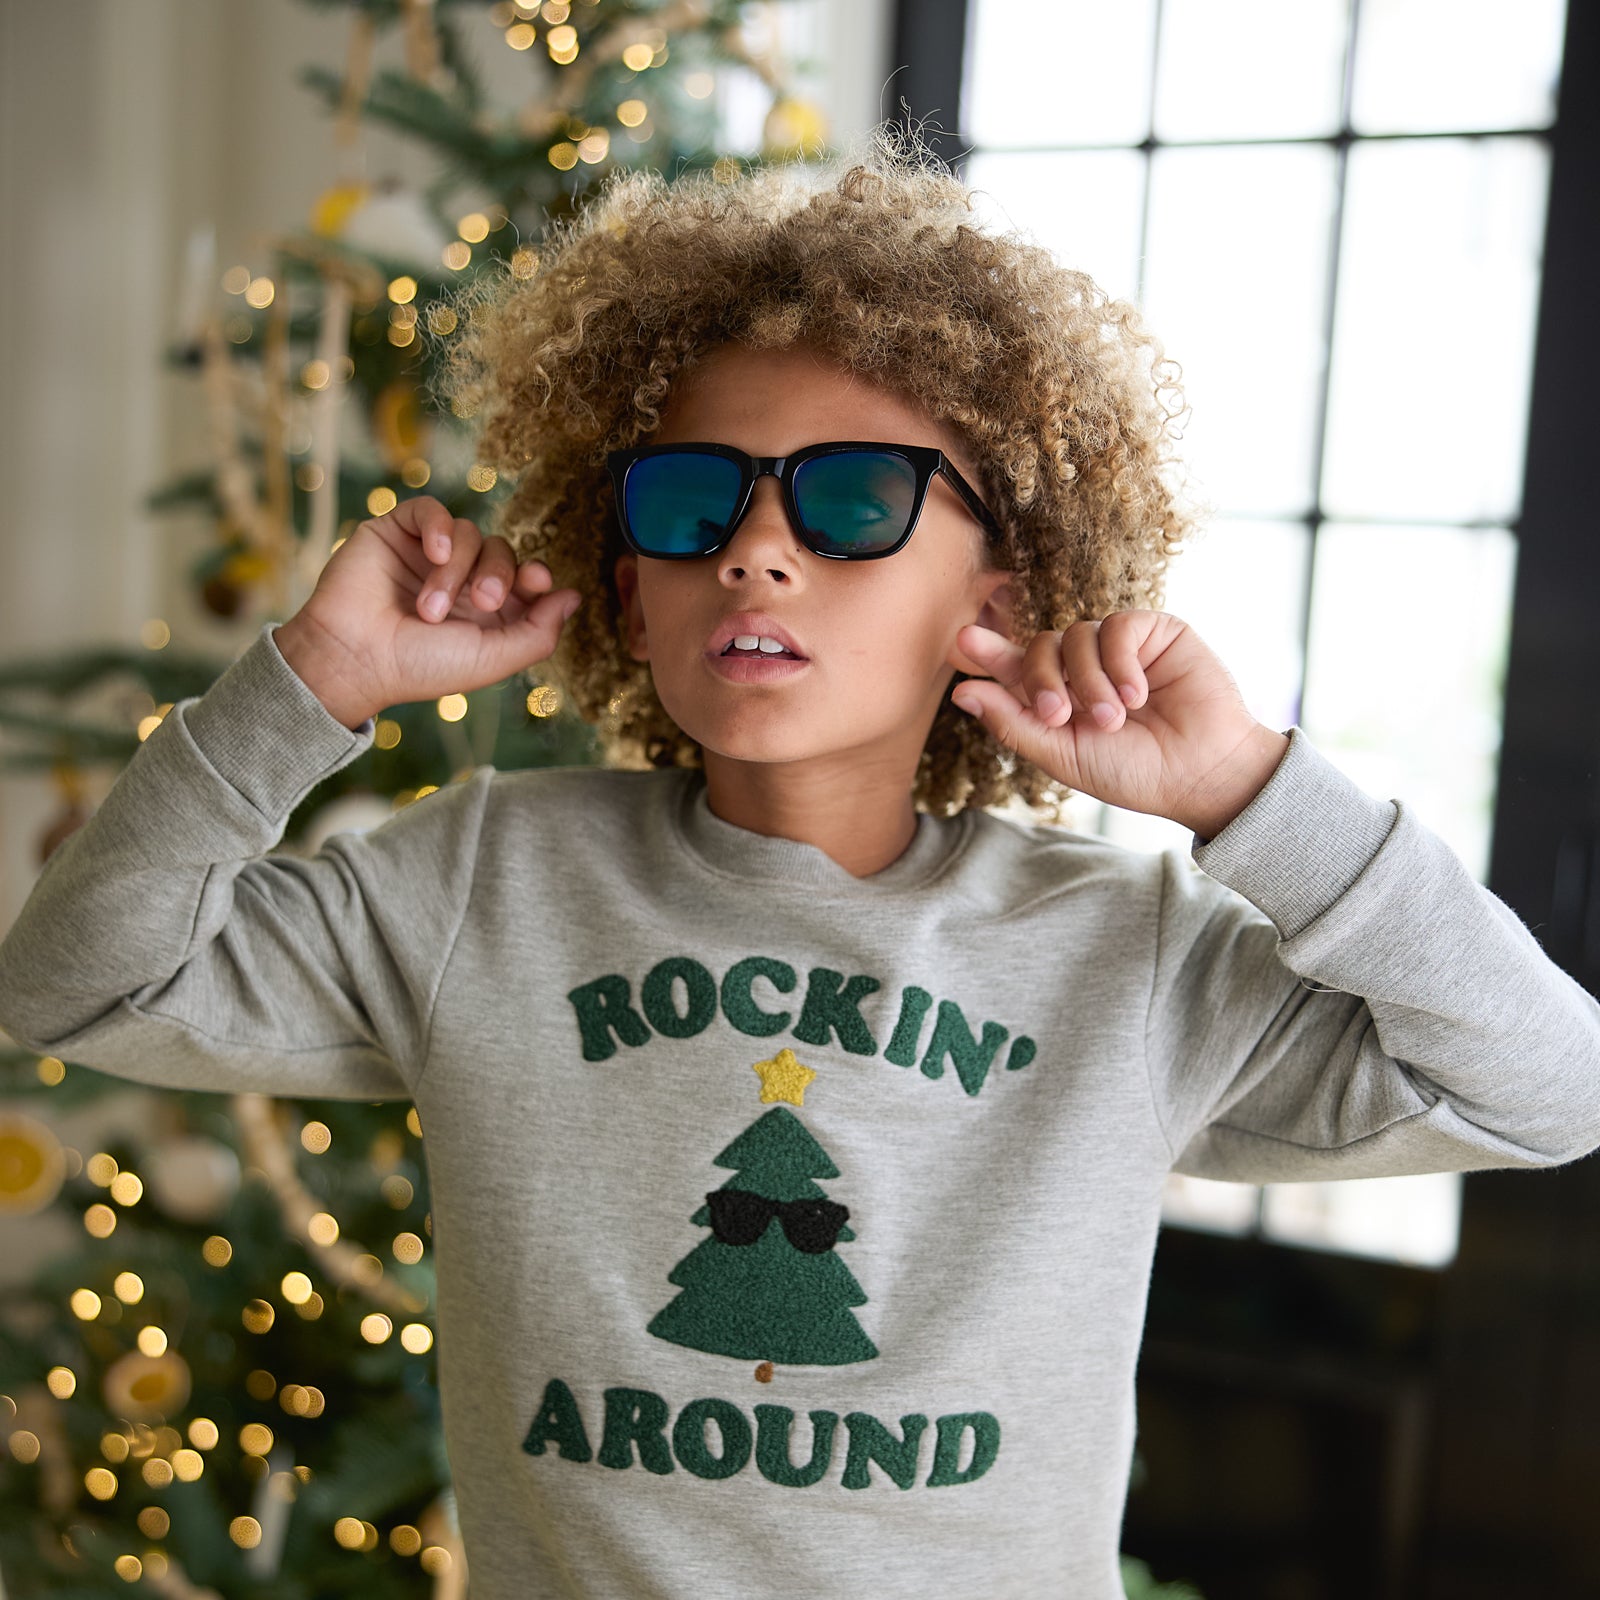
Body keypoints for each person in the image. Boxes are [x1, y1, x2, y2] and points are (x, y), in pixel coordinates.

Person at [2, 121, 1598, 1600]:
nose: (758, 545)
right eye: (695, 502)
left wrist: (1254, 791)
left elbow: (1549, 1088)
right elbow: (79, 985)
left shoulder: (1135, 953)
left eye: (853, 500)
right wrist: (311, 688)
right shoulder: (479, 883)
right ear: (633, 592)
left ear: (1005, 585)